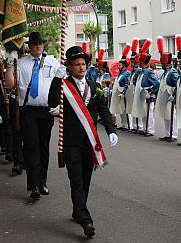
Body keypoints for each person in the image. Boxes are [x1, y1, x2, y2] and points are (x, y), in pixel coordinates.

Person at [48, 45, 118, 238]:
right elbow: (51, 101)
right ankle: (86, 220)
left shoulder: (94, 87)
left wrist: (111, 131)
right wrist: (56, 78)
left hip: (90, 144)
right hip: (71, 144)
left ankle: (78, 210)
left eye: (83, 64)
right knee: (76, 181)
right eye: (77, 64)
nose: (81, 67)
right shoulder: (63, 86)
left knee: (85, 180)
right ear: (69, 67)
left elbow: (103, 111)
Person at [5, 32, 63, 200]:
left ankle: (42, 182)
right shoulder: (21, 63)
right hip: (28, 111)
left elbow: (61, 84)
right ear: (29, 46)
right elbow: (10, 84)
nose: (38, 46)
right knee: (31, 147)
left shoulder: (52, 62)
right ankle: (34, 185)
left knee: (44, 147)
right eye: (34, 44)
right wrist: (10, 61)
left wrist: (59, 105)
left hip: (46, 111)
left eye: (40, 44)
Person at [154, 36, 179, 142]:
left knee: (171, 115)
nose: (162, 66)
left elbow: (177, 85)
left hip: (170, 96)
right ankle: (167, 133)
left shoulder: (173, 72)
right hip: (164, 96)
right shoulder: (165, 73)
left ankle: (173, 134)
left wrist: (174, 96)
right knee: (166, 115)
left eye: (164, 64)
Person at [136, 39, 160, 136]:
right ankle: (145, 129)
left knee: (149, 114)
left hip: (148, 95)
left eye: (140, 62)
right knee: (144, 113)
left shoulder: (149, 71)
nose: (139, 64)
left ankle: (150, 130)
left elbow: (157, 84)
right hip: (142, 94)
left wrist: (151, 92)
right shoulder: (142, 71)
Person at [110, 45, 131, 130]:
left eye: (119, 65)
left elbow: (127, 85)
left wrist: (123, 93)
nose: (118, 67)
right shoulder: (120, 74)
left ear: (124, 66)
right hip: (118, 94)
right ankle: (123, 124)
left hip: (123, 94)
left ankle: (127, 125)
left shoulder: (126, 74)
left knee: (124, 110)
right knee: (121, 110)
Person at [126, 38, 143, 134]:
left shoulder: (138, 70)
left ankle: (139, 126)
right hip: (131, 92)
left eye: (132, 62)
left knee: (138, 109)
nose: (131, 63)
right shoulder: (132, 71)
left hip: (137, 92)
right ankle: (135, 126)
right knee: (133, 109)